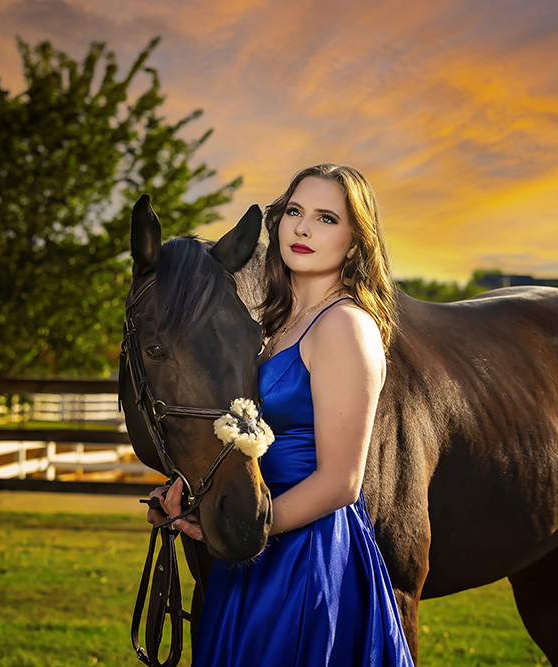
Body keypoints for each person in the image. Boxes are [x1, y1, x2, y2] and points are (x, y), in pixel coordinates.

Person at [146, 163, 414, 666]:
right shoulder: (275, 327)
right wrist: (196, 499)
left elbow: (341, 481)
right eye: (294, 211)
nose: (303, 228)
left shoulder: (344, 327)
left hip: (306, 557)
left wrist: (251, 527)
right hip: (255, 546)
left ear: (356, 243)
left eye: (327, 218)